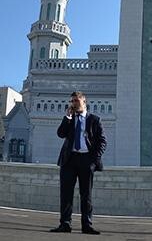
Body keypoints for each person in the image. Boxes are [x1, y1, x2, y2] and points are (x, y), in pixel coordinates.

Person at [50, 91, 106, 234]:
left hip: (86, 160)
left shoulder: (94, 120)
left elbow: (102, 142)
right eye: (72, 101)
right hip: (69, 160)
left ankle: (87, 225)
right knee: (66, 194)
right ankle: (65, 224)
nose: (73, 103)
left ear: (84, 101)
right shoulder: (70, 119)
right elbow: (60, 134)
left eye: (76, 100)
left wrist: (93, 160)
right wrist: (67, 117)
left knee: (86, 195)